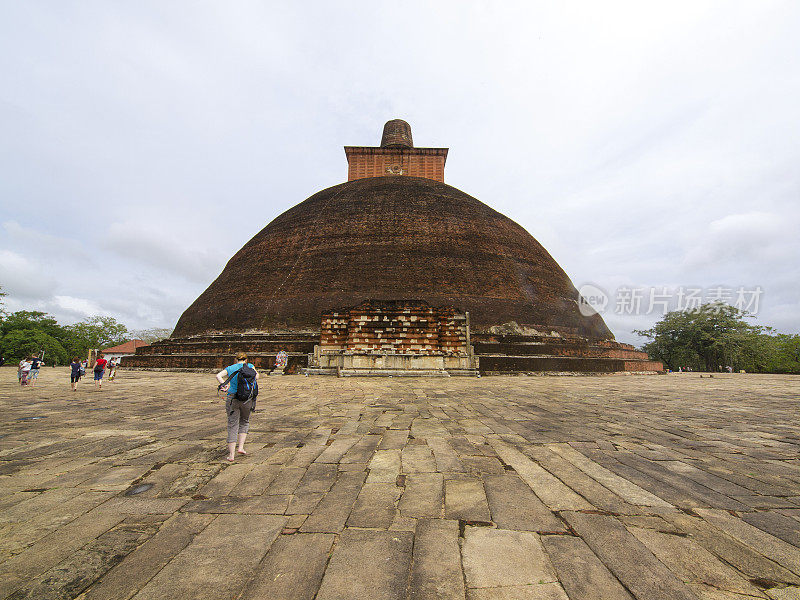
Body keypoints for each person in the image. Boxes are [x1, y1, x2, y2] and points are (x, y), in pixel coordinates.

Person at [215, 352, 259, 462]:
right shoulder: (250, 367)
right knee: (245, 421)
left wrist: (225, 385)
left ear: (236, 359)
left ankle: (231, 455)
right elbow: (257, 376)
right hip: (247, 399)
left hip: (232, 398)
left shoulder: (231, 368)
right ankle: (241, 447)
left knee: (232, 424)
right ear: (246, 359)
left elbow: (218, 375)